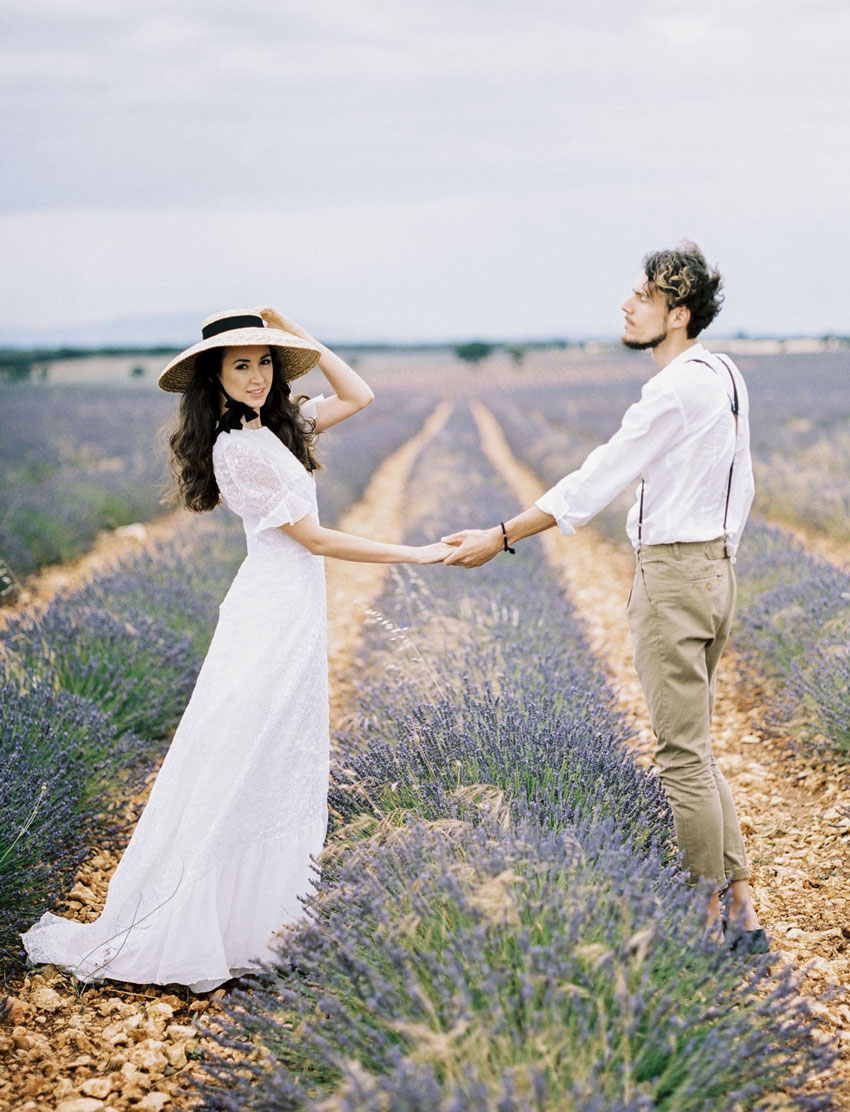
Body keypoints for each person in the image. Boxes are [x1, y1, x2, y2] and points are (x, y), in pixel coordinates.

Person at [23, 307, 451, 991]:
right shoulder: (240, 449)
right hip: (269, 614)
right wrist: (416, 553)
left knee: (279, 752)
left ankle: (261, 924)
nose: (256, 377)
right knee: (248, 751)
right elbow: (314, 540)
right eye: (240, 366)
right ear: (215, 381)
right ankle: (214, 923)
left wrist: (301, 335)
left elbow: (361, 396)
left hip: (290, 610)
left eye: (264, 363)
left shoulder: (277, 427)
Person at [442, 243, 768, 953]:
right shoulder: (725, 373)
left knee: (681, 757)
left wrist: (500, 535)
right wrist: (721, 559)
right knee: (699, 750)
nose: (627, 303)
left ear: (676, 314)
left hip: (676, 578)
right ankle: (742, 910)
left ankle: (703, 923)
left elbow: (591, 483)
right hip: (717, 573)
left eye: (643, 296)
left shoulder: (674, 388)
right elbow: (743, 483)